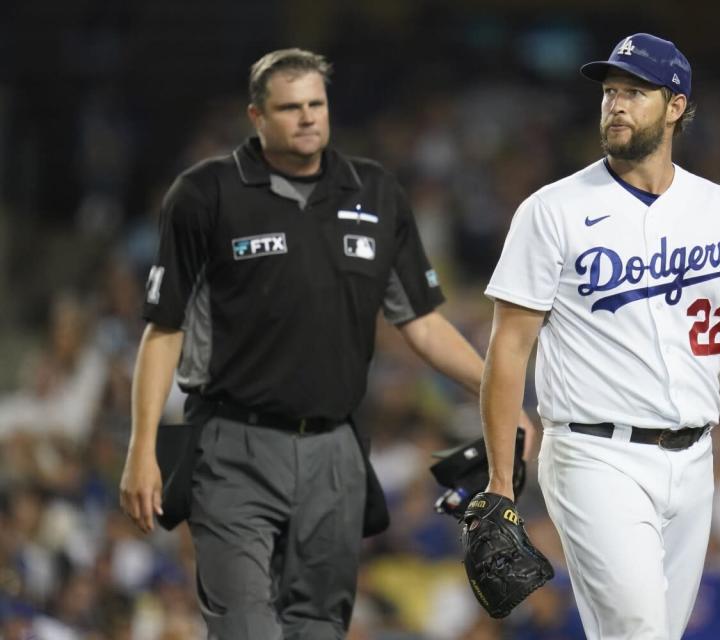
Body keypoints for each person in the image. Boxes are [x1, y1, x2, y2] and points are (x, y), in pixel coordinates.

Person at [118, 48, 532, 639]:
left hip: (335, 450)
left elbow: (422, 323)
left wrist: (503, 397)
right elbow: (164, 329)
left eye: (317, 103)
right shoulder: (205, 195)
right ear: (257, 116)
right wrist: (141, 447)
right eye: (290, 107)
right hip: (233, 445)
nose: (308, 117)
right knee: (244, 627)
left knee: (319, 626)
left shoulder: (375, 192)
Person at [479, 33, 720, 639]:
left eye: (634, 92)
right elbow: (509, 347)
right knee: (639, 631)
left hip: (695, 459)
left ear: (675, 106)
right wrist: (498, 479)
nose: (615, 104)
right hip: (594, 454)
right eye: (610, 92)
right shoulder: (552, 210)